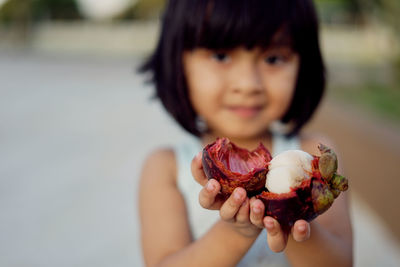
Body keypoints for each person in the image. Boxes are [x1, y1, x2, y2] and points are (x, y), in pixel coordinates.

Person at [138, 0, 353, 266]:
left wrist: (295, 214)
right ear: (177, 62)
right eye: (221, 56)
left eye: (273, 58)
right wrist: (237, 231)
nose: (248, 84)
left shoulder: (315, 159)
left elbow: (341, 262)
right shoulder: (165, 167)